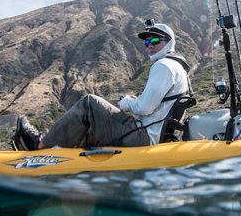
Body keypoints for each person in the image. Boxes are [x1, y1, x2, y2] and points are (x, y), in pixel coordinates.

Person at [11, 21, 193, 150]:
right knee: (92, 125)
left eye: (155, 41)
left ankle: (39, 143)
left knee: (89, 103)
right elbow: (157, 108)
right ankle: (54, 152)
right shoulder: (178, 68)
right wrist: (134, 102)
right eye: (147, 42)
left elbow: (145, 108)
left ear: (169, 42)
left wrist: (128, 103)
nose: (149, 46)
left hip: (144, 138)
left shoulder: (163, 66)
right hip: (156, 135)